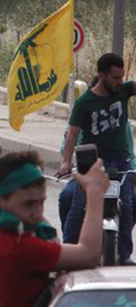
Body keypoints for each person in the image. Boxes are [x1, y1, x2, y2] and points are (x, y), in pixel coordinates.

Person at [0, 151, 107, 307]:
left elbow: (45, 233)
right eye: (28, 204)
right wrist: (95, 191)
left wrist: (0, 195)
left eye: (41, 202)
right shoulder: (18, 247)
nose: (37, 213)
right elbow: (88, 254)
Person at [58, 53, 135, 264]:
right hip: (92, 161)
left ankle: (125, 255)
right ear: (101, 76)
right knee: (78, 204)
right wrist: (66, 162)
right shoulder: (84, 103)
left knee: (128, 204)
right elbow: (71, 136)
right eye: (115, 77)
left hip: (121, 161)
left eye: (122, 77)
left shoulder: (123, 91)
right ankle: (69, 252)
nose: (120, 82)